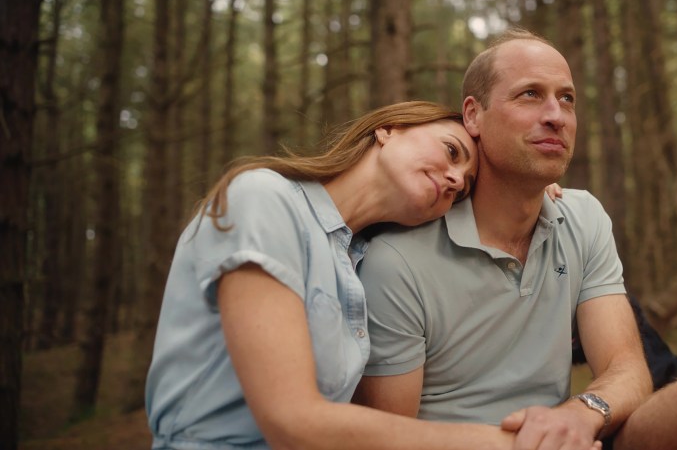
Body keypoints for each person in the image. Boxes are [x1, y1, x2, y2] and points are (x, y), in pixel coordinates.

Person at [353, 30, 677, 450]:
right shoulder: (398, 257)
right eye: (529, 94)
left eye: (567, 99)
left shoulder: (583, 217)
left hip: (573, 437)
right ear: (473, 115)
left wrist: (578, 415)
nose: (556, 116)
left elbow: (628, 369)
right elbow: (388, 439)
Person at [145, 101, 561, 450]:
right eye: (452, 152)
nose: (455, 179)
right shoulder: (264, 199)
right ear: (389, 130)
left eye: (465, 188)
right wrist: (502, 443)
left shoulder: (362, 264)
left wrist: (526, 194)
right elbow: (290, 420)